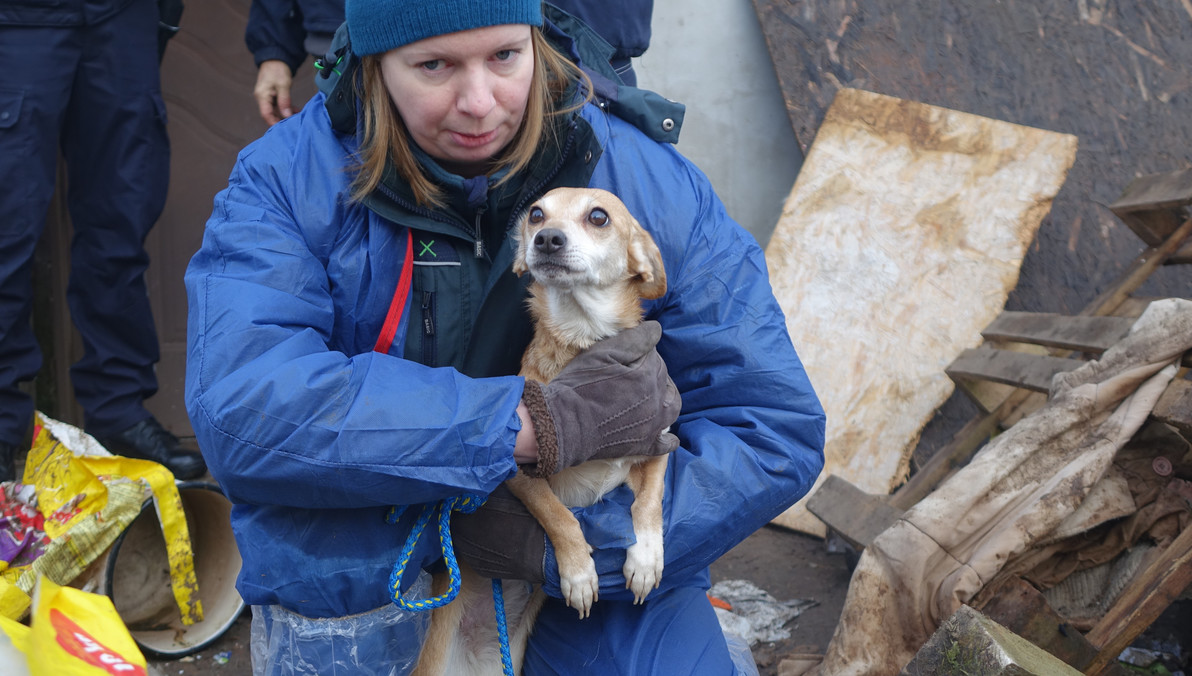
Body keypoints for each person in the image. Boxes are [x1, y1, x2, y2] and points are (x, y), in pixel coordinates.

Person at [184, 0, 825, 674]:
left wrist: (573, 543)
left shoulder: (639, 181)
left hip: (597, 574)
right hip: (359, 580)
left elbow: (769, 422)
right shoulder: (288, 180)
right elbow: (245, 410)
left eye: (504, 56)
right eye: (434, 65)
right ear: (377, 64)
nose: (480, 102)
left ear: (535, 37)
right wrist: (524, 427)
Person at [0, 0, 208, 484]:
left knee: (120, 227)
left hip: (119, 17)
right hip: (14, 21)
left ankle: (118, 412)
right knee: (0, 233)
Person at [246, 0, 653, 125]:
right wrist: (275, 46)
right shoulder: (289, 174)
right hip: (372, 39)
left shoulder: (647, 172)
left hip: (591, 49)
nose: (478, 103)